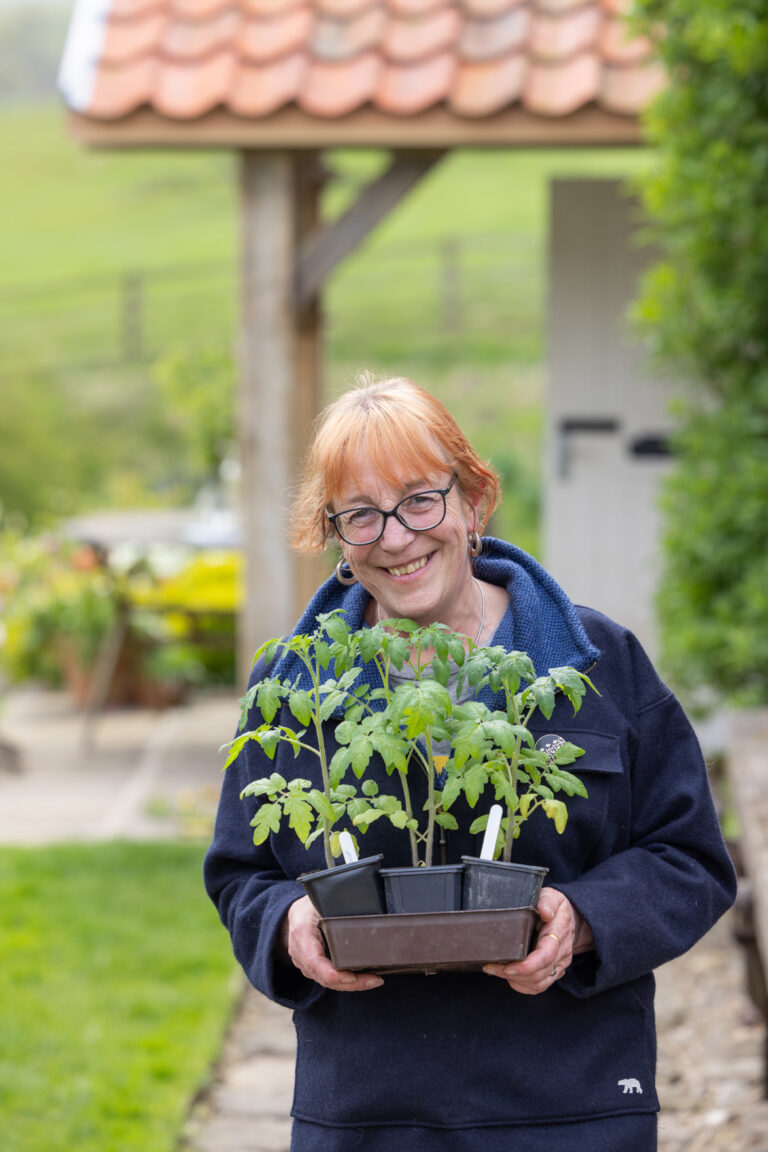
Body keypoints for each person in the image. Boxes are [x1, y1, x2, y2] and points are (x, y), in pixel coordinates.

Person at [204, 375, 736, 1151]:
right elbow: (239, 875)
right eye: (360, 515)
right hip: (367, 1107)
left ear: (475, 501)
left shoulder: (598, 666)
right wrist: (286, 922)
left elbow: (691, 860)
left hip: (570, 1101)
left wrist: (588, 919)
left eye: (420, 499)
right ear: (335, 536)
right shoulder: (294, 687)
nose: (395, 537)